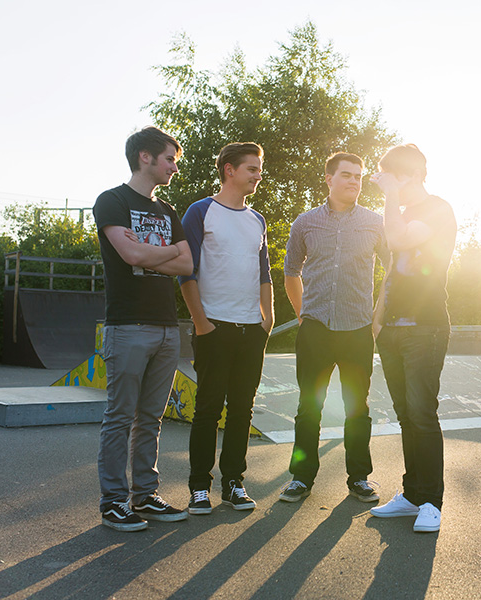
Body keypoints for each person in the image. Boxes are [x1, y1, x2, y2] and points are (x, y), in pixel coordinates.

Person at [93, 126, 193, 531]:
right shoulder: (112, 201)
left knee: (151, 418)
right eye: (169, 159)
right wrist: (162, 253)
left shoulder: (167, 211)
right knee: (120, 416)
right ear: (145, 158)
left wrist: (151, 254)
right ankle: (114, 501)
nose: (173, 167)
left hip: (168, 328)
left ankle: (145, 495)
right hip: (129, 325)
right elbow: (129, 252)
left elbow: (187, 264)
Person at [278, 152, 388, 504]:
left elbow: (393, 271)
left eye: (358, 176)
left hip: (358, 329)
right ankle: (300, 478)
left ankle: (359, 478)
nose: (354, 181)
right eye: (346, 175)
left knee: (358, 408)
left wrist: (378, 316)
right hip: (316, 329)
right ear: (329, 179)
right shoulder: (305, 223)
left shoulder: (375, 223)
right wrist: (302, 313)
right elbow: (290, 270)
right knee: (309, 407)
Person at [179, 142, 274, 515]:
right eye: (252, 168)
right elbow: (186, 270)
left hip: (252, 329)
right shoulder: (201, 212)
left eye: (259, 168)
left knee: (242, 411)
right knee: (207, 409)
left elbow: (264, 271)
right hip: (214, 327)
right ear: (229, 170)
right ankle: (199, 487)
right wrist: (201, 322)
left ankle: (234, 483)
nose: (258, 175)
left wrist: (267, 317)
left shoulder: (257, 220)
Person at [368, 144, 456, 534]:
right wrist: (378, 319)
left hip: (426, 327)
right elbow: (392, 270)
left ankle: (432, 502)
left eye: (392, 178)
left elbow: (400, 241)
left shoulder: (437, 209)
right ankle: (412, 495)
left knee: (422, 414)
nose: (389, 187)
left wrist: (388, 196)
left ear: (411, 175)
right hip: (394, 331)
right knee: (406, 415)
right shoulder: (399, 213)